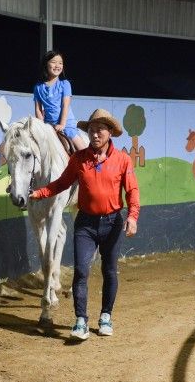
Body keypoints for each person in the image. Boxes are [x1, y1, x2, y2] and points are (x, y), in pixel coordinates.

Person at [29, 109, 140, 340]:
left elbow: (132, 190)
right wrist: (39, 193)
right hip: (86, 224)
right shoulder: (78, 159)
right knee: (81, 271)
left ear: (110, 133)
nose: (95, 133)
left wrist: (132, 217)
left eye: (100, 129)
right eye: (91, 129)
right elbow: (60, 184)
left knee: (109, 271)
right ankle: (81, 321)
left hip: (112, 224)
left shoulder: (122, 160)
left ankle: (106, 316)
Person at [33, 50, 87, 151]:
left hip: (67, 124)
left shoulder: (65, 84)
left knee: (84, 151)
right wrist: (42, 127)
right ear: (46, 64)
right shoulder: (38, 87)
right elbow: (38, 110)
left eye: (60, 63)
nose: (57, 65)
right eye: (54, 62)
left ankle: (94, 164)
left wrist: (62, 124)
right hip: (49, 125)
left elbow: (65, 105)